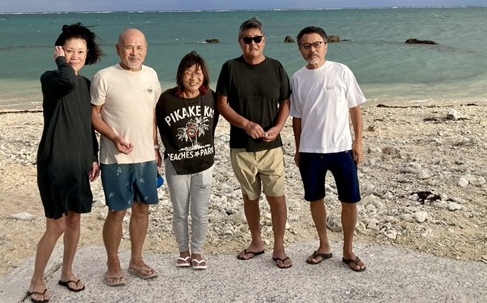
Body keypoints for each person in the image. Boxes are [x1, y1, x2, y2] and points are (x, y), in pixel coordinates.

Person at [28, 23, 103, 303]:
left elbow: (87, 124)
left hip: (78, 163)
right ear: (59, 51)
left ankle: (67, 272)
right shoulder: (52, 79)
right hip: (55, 162)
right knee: (56, 225)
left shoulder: (86, 84)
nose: (75, 56)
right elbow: (67, 81)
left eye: (81, 51)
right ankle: (36, 280)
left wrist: (93, 156)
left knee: (74, 220)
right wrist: (61, 62)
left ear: (88, 54)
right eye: (69, 50)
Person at [215, 17, 292, 269]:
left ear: (264, 40)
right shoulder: (230, 68)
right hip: (241, 146)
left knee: (277, 197)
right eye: (247, 39)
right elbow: (221, 104)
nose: (252, 43)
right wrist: (245, 124)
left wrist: (277, 128)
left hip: (272, 146)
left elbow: (285, 102)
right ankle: (256, 242)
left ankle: (279, 246)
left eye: (257, 38)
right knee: (250, 197)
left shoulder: (276, 67)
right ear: (240, 42)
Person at [290, 26, 367, 272]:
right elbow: (297, 118)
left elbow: (355, 109)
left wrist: (357, 142)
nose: (312, 50)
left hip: (342, 149)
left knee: (350, 200)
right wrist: (298, 149)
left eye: (317, 44)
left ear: (326, 46)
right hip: (310, 151)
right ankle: (324, 246)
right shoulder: (297, 78)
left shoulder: (341, 71)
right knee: (315, 198)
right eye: (306, 46)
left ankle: (348, 250)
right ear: (300, 49)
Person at [91, 28, 162, 286]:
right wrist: (114, 137)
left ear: (146, 49)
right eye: (129, 47)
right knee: (117, 211)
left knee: (142, 209)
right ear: (118, 49)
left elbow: (152, 114)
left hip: (145, 156)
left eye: (139, 47)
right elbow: (93, 115)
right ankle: (113, 262)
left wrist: (155, 147)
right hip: (116, 159)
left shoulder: (151, 75)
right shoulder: (104, 77)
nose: (134, 53)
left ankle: (136, 260)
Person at [156, 51, 219, 270]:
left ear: (205, 75)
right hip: (176, 164)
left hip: (204, 164)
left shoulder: (211, 97)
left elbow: (216, 121)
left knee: (200, 212)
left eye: (198, 73)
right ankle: (183, 252)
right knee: (180, 212)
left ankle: (198, 252)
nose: (193, 78)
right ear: (180, 74)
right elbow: (152, 122)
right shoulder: (166, 99)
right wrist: (155, 147)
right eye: (188, 72)